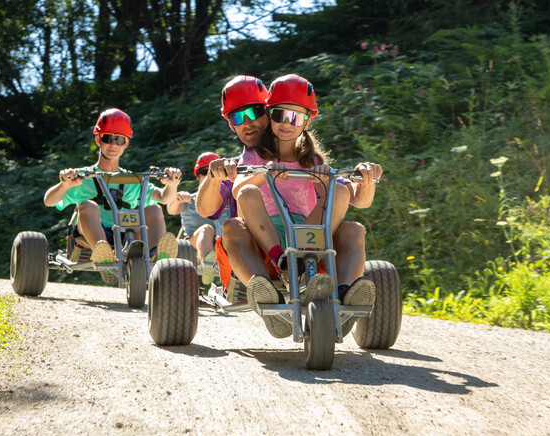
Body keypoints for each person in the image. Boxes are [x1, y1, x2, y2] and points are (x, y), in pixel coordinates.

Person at [203, 74, 382, 338]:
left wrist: (366, 179)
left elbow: (359, 199)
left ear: (308, 121)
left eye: (295, 118)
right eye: (279, 115)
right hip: (266, 245)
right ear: (271, 114)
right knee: (241, 209)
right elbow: (240, 190)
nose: (286, 123)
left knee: (352, 222)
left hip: (309, 240)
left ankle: (343, 297)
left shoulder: (313, 160)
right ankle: (273, 285)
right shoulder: (252, 157)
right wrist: (266, 172)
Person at [44, 108, 181, 283]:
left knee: (153, 208)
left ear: (126, 144)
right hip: (92, 234)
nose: (113, 145)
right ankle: (105, 257)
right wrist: (64, 185)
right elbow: (49, 201)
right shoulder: (81, 176)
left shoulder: (133, 179)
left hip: (127, 235)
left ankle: (156, 255)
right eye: (108, 138)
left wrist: (172, 184)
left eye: (119, 139)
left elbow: (164, 198)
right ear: (98, 140)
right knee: (88, 205)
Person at [166, 151, 231, 284]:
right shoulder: (189, 199)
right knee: (206, 229)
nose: (208, 176)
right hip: (191, 246)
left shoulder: (229, 200)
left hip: (221, 243)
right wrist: (177, 199)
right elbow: (171, 211)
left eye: (212, 172)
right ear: (198, 176)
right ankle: (208, 267)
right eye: (204, 172)